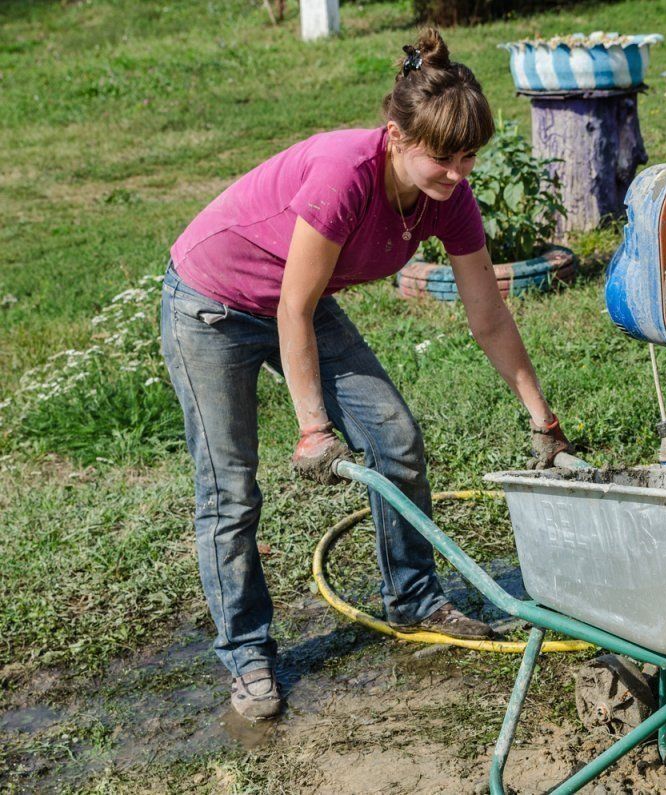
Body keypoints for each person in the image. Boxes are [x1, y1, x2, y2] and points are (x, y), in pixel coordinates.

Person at [160, 28, 572, 721]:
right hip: (214, 301)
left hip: (300, 297)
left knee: (395, 439)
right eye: (442, 158)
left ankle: (413, 598)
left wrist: (544, 417)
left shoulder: (449, 195)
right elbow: (289, 307)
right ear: (396, 136)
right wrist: (312, 427)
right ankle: (248, 653)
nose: (457, 174)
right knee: (230, 492)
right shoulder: (345, 173)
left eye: (469, 157)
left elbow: (488, 315)